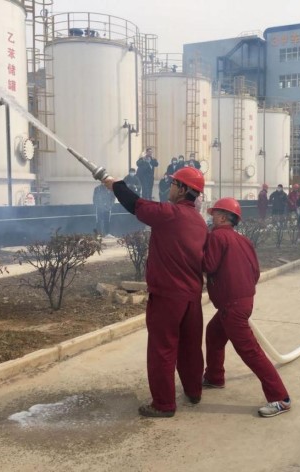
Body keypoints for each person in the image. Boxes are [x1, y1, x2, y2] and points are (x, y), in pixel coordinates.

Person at [103, 166, 207, 418]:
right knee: (191, 347)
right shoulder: (199, 221)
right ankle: (193, 391)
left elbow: (136, 205)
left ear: (183, 190)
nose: (169, 188)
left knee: (163, 348)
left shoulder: (170, 214)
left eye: (173, 184)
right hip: (192, 296)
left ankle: (163, 404)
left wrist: (113, 184)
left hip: (168, 296)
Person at [203, 197, 291, 418]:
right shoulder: (243, 240)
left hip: (232, 306)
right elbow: (255, 272)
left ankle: (280, 398)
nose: (211, 218)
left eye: (214, 214)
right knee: (213, 334)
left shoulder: (217, 236)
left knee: (250, 351)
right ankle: (214, 377)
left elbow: (208, 266)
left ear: (223, 217)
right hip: (242, 301)